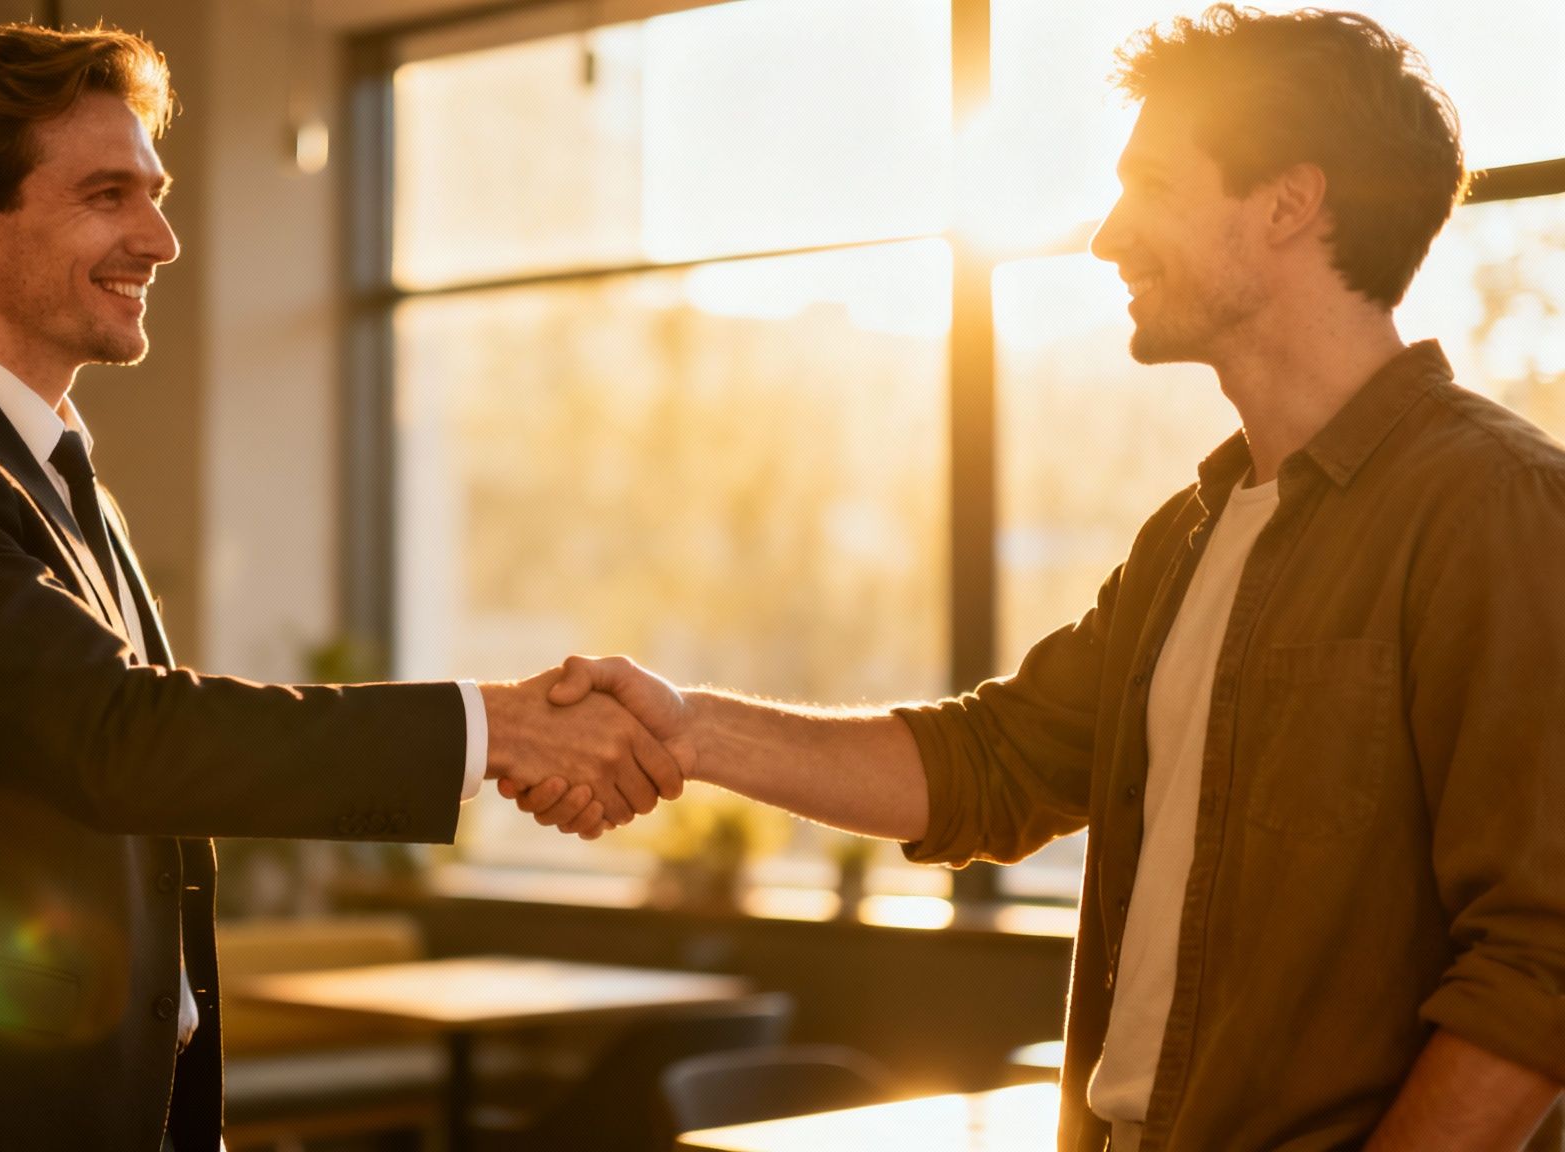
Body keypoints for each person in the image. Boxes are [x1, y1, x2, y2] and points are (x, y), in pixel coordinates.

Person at [531, 7, 1564, 1149]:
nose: (1106, 236)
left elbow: (1543, 958)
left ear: (1287, 202)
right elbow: (989, 762)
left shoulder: (1493, 508)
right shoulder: (1188, 533)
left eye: (1152, 184)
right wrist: (691, 731)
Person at [0, 24, 676, 1152]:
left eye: (153, 194)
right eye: (108, 195)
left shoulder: (61, 481)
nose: (160, 239)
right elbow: (118, 741)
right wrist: (489, 729)